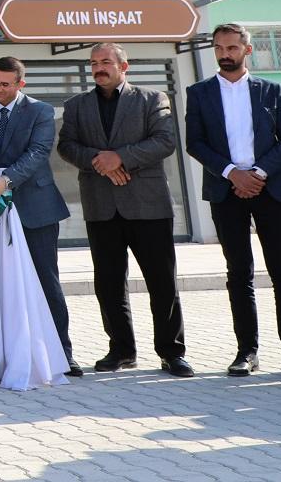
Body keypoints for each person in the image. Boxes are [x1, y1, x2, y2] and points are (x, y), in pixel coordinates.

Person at [57, 42, 191, 378]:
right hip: (101, 206)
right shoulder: (76, 105)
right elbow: (66, 146)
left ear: (123, 66)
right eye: (93, 63)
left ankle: (172, 352)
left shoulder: (152, 99)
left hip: (148, 205)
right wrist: (99, 161)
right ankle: (121, 350)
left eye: (105, 62)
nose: (98, 68)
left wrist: (120, 157)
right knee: (109, 284)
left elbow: (165, 141)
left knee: (162, 282)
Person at [0, 56, 80, 376]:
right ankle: (4, 354)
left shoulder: (41, 111)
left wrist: (6, 180)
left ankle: (62, 354)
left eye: (5, 84)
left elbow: (37, 153)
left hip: (36, 208)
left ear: (21, 83)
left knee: (45, 281)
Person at [186, 23, 281, 376]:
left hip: (269, 190)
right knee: (238, 273)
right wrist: (232, 173)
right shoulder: (199, 92)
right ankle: (247, 352)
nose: (224, 54)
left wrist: (258, 173)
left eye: (232, 48)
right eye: (219, 48)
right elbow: (195, 143)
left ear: (247, 50)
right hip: (226, 191)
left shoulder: (272, 91)